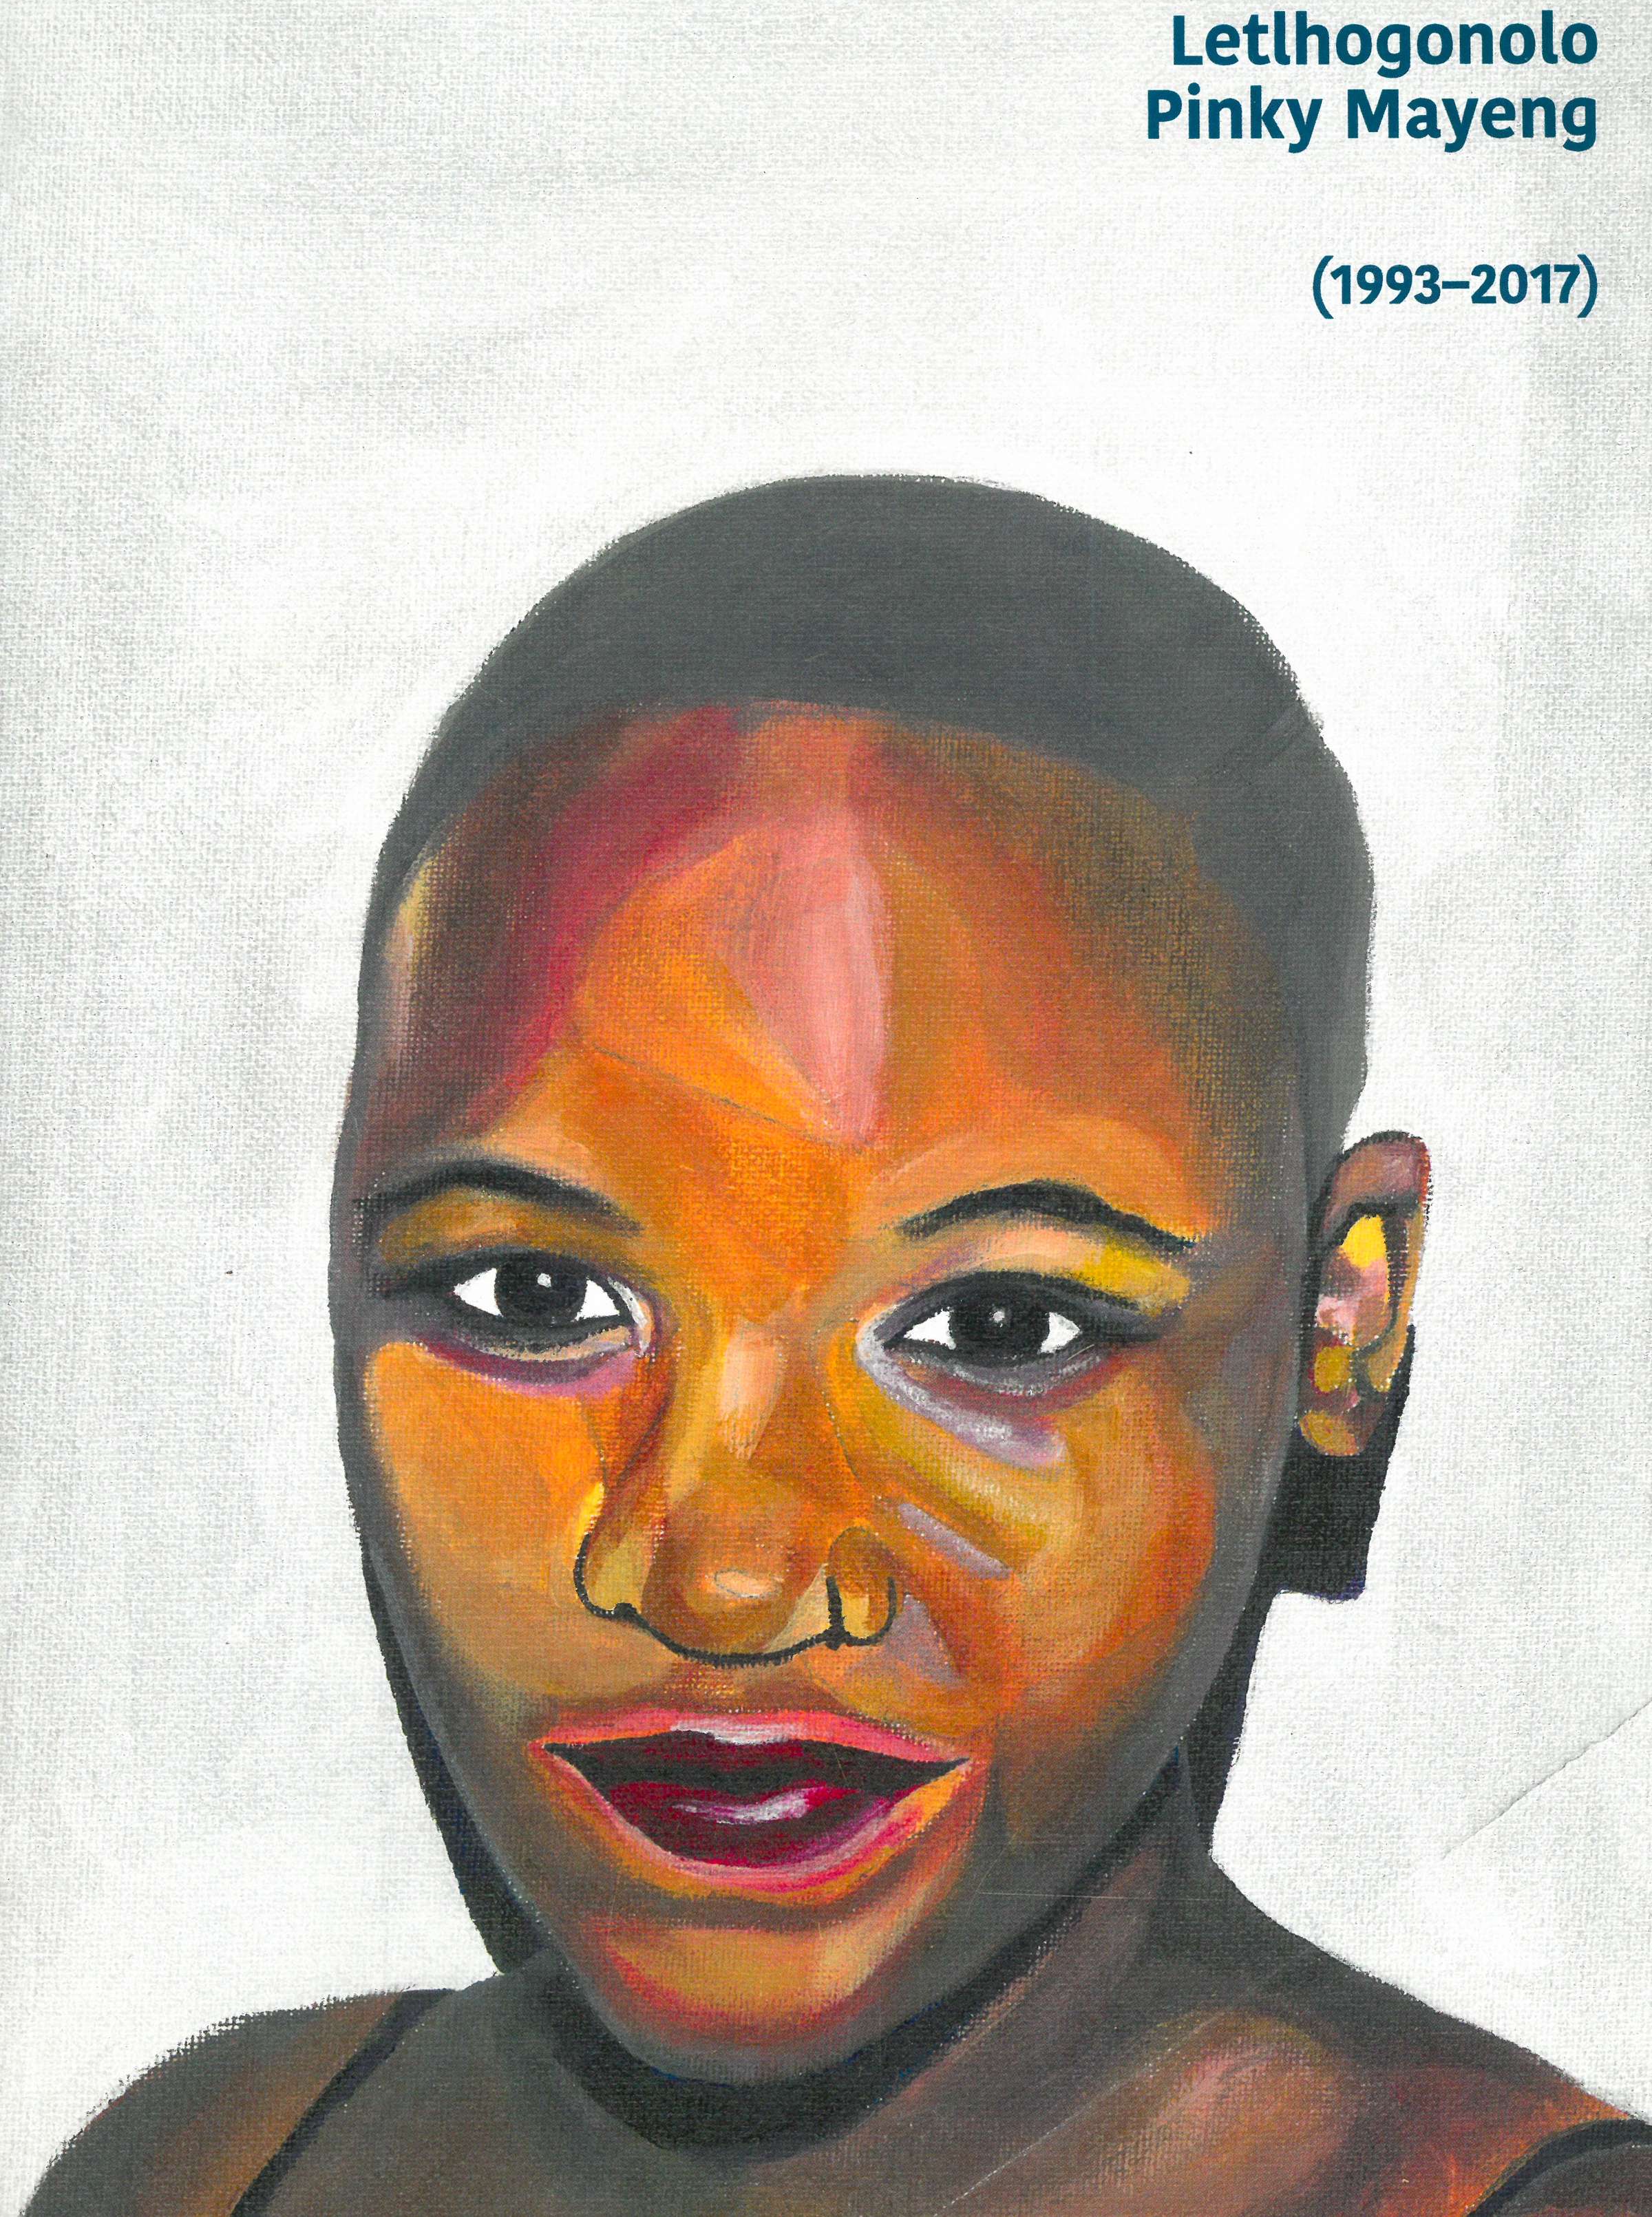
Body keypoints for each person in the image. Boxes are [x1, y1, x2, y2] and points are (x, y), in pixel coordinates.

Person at [29, 480, 1652, 2216]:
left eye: (999, 1330)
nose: (722, 1573)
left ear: (1345, 1324)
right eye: (534, 1299)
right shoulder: (212, 2168)